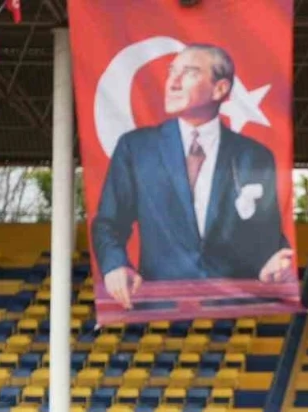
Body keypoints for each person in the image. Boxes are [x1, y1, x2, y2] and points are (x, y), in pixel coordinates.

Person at [91, 43, 293, 309]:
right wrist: (115, 265)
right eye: (171, 71)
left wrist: (273, 262)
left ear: (220, 89)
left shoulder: (255, 156)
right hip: (160, 308)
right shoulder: (136, 149)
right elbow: (109, 223)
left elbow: (266, 234)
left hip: (235, 308)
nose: (172, 83)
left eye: (189, 72)